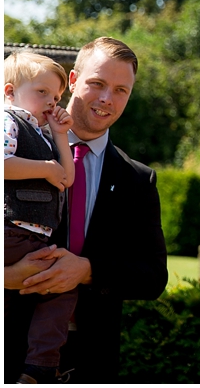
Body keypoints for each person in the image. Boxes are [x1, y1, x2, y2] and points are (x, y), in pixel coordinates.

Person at [4, 37, 168, 383]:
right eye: (97, 84)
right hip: (11, 351)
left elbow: (153, 276)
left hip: (91, 360)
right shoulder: (15, 149)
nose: (107, 98)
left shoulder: (139, 179)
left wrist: (88, 270)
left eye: (121, 89)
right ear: (73, 81)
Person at [4, 52, 76, 383]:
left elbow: (66, 178)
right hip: (11, 229)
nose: (51, 102)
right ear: (9, 92)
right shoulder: (8, 120)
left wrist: (60, 134)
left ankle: (39, 366)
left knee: (59, 286)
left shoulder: (43, 134)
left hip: (28, 235)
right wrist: (44, 168)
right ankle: (41, 367)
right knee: (61, 287)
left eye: (57, 97)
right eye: (42, 92)